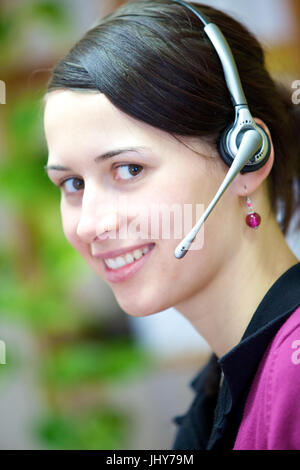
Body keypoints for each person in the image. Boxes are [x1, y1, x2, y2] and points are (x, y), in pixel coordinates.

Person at [43, 0, 300, 450]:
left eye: (128, 170)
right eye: (72, 183)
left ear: (245, 160)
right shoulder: (229, 381)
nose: (89, 225)